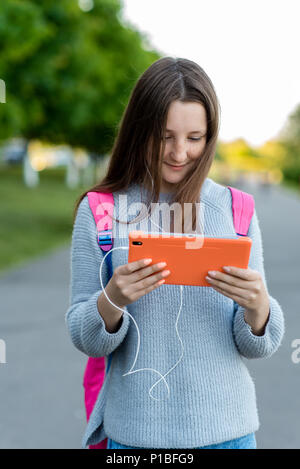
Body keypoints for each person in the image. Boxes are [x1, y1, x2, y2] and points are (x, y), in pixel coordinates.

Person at [65, 57, 285, 450]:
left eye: (194, 138)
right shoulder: (101, 211)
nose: (179, 153)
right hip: (134, 439)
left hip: (230, 435)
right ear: (139, 129)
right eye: (164, 136)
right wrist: (113, 299)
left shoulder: (236, 209)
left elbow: (257, 344)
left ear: (210, 137)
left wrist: (258, 308)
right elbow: (87, 339)